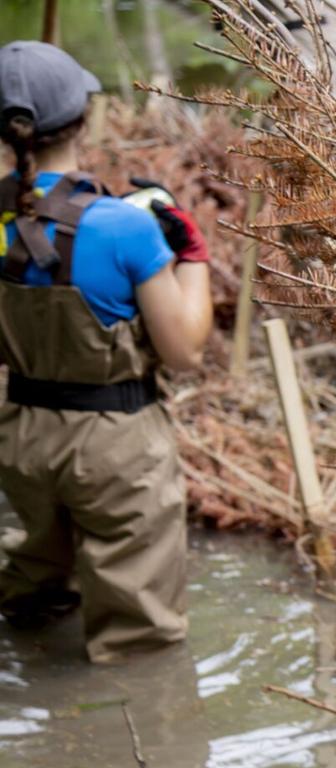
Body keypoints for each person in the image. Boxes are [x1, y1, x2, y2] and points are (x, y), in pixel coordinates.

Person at [0, 41, 213, 663]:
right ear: (85, 119)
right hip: (117, 441)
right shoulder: (126, 226)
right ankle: (128, 732)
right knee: (139, 632)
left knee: (37, 577)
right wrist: (191, 255)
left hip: (21, 435)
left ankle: (30, 675)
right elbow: (183, 352)